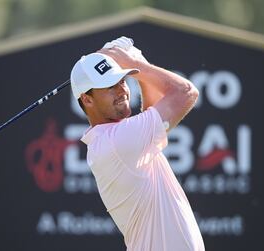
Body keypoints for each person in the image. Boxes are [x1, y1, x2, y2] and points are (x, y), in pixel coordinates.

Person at [70, 37, 205, 251]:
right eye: (110, 86)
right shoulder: (117, 141)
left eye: (123, 81)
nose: (122, 91)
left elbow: (151, 114)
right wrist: (138, 65)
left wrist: (138, 66)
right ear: (87, 99)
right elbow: (186, 92)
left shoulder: (113, 139)